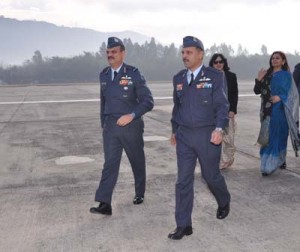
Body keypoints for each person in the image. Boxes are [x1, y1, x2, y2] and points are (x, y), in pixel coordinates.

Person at [168, 36, 231, 240]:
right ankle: (183, 224)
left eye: (189, 52)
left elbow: (222, 104)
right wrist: (174, 129)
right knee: (183, 181)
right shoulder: (178, 77)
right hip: (185, 135)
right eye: (183, 52)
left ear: (200, 54)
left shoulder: (214, 76)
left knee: (210, 176)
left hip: (207, 134)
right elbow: (177, 106)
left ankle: (223, 199)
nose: (185, 56)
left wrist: (219, 128)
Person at [90, 37, 154, 215]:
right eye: (108, 52)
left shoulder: (133, 73)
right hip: (110, 128)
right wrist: (104, 123)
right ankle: (104, 202)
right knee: (110, 164)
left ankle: (139, 192)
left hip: (131, 127)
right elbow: (103, 102)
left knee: (136, 160)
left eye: (114, 52)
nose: (110, 55)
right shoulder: (103, 74)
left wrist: (132, 115)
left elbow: (148, 101)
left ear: (122, 53)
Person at [254, 51, 300, 176]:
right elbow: (257, 91)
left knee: (278, 136)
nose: (274, 60)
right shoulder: (267, 74)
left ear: (283, 61)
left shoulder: (286, 75)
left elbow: (293, 94)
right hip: (266, 112)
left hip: (280, 110)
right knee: (266, 137)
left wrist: (280, 97)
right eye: (273, 58)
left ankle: (274, 162)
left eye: (277, 58)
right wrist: (259, 79)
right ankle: (265, 163)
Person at [209, 53, 238, 169]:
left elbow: (234, 94)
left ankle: (228, 159)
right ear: (212, 64)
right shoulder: (208, 77)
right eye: (216, 62)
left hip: (228, 112)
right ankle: (219, 162)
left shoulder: (231, 76)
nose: (218, 64)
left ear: (224, 63)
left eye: (221, 61)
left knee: (229, 140)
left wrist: (232, 110)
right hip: (212, 114)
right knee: (215, 139)